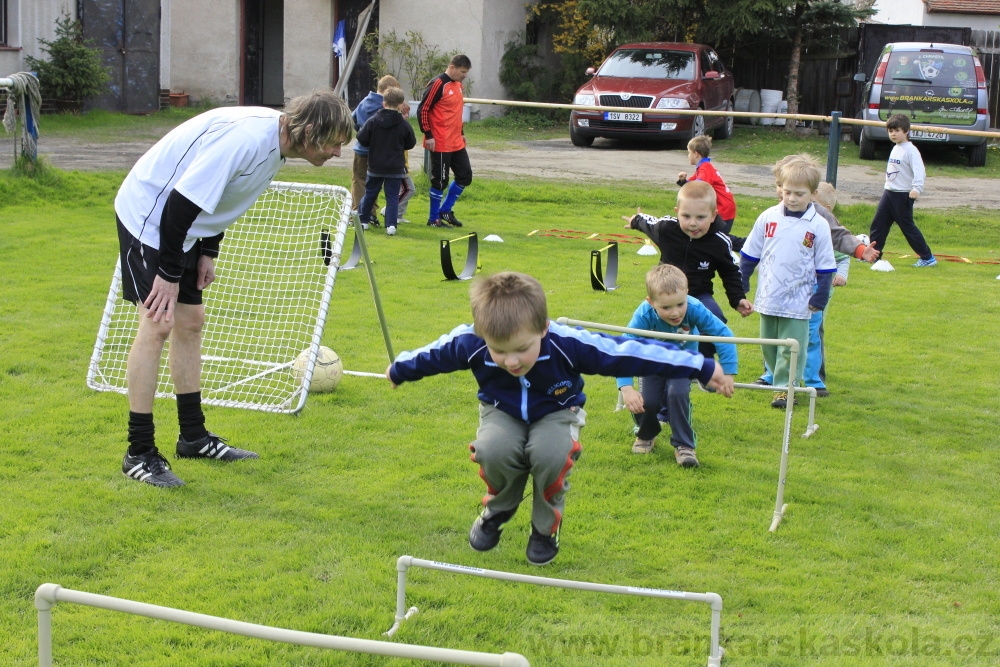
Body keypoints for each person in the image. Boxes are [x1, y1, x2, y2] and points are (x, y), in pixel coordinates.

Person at [386, 272, 732, 565]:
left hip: (557, 410)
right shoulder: (470, 342)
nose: (511, 362)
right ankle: (499, 510)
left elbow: (627, 351)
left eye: (522, 348)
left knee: (549, 454)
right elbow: (431, 354)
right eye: (499, 351)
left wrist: (699, 364)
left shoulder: (568, 343)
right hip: (499, 409)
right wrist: (400, 369)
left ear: (543, 328)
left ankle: (544, 528)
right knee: (493, 449)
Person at [115, 90, 354, 487]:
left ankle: (193, 436)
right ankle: (138, 452)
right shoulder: (246, 141)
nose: (336, 153)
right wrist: (170, 274)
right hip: (151, 216)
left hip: (185, 227)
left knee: (191, 322)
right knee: (157, 324)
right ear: (309, 131)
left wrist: (208, 248)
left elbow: (223, 194)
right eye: (333, 143)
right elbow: (179, 203)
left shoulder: (278, 143)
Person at [755, 163, 880, 395]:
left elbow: (840, 237)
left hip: (813, 287)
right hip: (779, 289)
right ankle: (772, 375)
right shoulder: (773, 214)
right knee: (775, 332)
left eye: (796, 191)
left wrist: (861, 250)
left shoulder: (819, 215)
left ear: (813, 196)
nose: (787, 195)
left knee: (810, 333)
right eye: (782, 188)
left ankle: (813, 379)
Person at [739, 155, 837, 408]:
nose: (792, 198)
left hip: (800, 301)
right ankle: (777, 380)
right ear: (780, 189)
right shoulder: (768, 217)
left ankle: (786, 388)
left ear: (813, 194)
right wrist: (742, 282)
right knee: (769, 345)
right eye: (787, 192)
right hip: (769, 296)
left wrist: (820, 296)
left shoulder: (818, 225)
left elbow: (826, 266)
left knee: (792, 347)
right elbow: (750, 253)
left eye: (799, 194)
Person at [617, 264, 738, 467]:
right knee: (648, 401)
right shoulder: (644, 315)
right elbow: (625, 347)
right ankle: (646, 434)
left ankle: (684, 445)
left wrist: (728, 372)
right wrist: (626, 387)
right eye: (666, 308)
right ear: (651, 302)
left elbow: (724, 335)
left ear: (687, 294)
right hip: (652, 363)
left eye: (680, 304)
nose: (675, 313)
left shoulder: (695, 308)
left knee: (677, 394)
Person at [623, 180, 753, 360]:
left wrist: (737, 298)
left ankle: (701, 363)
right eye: (686, 216)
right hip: (665, 293)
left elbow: (730, 272)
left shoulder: (719, 242)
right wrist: (636, 220)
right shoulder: (666, 229)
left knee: (716, 319)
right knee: (653, 322)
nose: (693, 223)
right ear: (677, 213)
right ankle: (652, 358)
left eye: (700, 217)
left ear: (714, 215)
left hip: (700, 295)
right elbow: (649, 223)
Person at [868, 113, 937, 268]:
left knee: (908, 228)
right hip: (889, 193)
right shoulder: (896, 148)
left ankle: (927, 258)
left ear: (906, 131)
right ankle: (873, 255)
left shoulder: (911, 150)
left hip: (903, 196)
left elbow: (920, 172)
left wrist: (916, 189)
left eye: (897, 130)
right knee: (878, 224)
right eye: (890, 131)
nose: (893, 134)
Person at [418, 54, 472, 228]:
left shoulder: (458, 86)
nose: (464, 75)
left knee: (465, 176)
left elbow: (456, 112)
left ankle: (446, 210)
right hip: (440, 141)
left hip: (456, 141)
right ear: (452, 67)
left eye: (466, 72)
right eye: (462, 72)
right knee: (440, 181)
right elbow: (423, 110)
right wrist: (429, 135)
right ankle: (433, 218)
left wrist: (461, 132)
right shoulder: (438, 84)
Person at [356, 87, 416, 236]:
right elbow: (411, 143)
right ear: (401, 104)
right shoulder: (403, 124)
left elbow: (361, 137)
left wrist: (373, 143)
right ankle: (391, 225)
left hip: (375, 165)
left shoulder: (373, 121)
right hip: (395, 167)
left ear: (384, 103)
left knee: (370, 193)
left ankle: (363, 221)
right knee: (392, 197)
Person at [350, 75, 401, 224]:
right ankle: (366, 213)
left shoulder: (364, 101)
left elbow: (352, 119)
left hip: (361, 149)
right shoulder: (386, 108)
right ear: (388, 90)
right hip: (380, 152)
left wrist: (360, 130)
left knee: (359, 180)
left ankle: (359, 211)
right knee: (374, 182)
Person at [676, 135, 737, 234]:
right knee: (712, 239)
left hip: (723, 208)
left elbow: (698, 188)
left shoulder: (705, 168)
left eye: (689, 153)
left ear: (696, 154)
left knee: (718, 239)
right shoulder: (702, 168)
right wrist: (683, 181)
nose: (688, 156)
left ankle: (747, 246)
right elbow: (691, 185)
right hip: (722, 207)